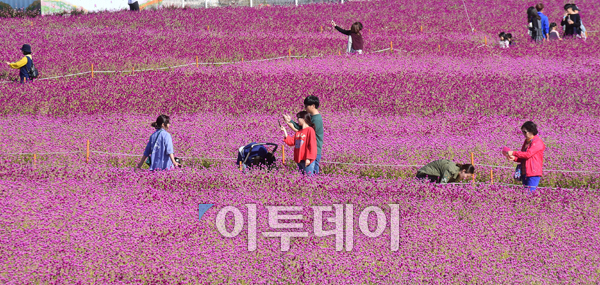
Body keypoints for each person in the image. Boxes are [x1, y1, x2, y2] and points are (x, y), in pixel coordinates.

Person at [283, 96, 324, 174]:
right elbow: (302, 128)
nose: (305, 108)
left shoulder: (317, 119)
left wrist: (291, 125)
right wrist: (290, 121)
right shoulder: (312, 117)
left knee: (312, 176)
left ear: (313, 106)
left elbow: (305, 134)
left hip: (313, 152)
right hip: (306, 151)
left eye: (306, 106)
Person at [505, 121, 546, 193]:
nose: (523, 134)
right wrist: (514, 158)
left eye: (525, 132)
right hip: (525, 172)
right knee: (525, 194)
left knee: (529, 194)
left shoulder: (537, 142)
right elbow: (523, 156)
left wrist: (513, 153)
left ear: (531, 131)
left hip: (533, 172)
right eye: (523, 132)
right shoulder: (527, 141)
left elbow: (528, 154)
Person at [280, 111, 317, 176]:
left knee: (309, 179)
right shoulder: (299, 132)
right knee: (303, 180)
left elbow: (312, 145)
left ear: (303, 119)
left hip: (307, 160)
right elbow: (291, 142)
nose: (297, 120)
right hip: (300, 159)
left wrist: (308, 158)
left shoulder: (310, 130)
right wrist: (285, 131)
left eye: (298, 118)